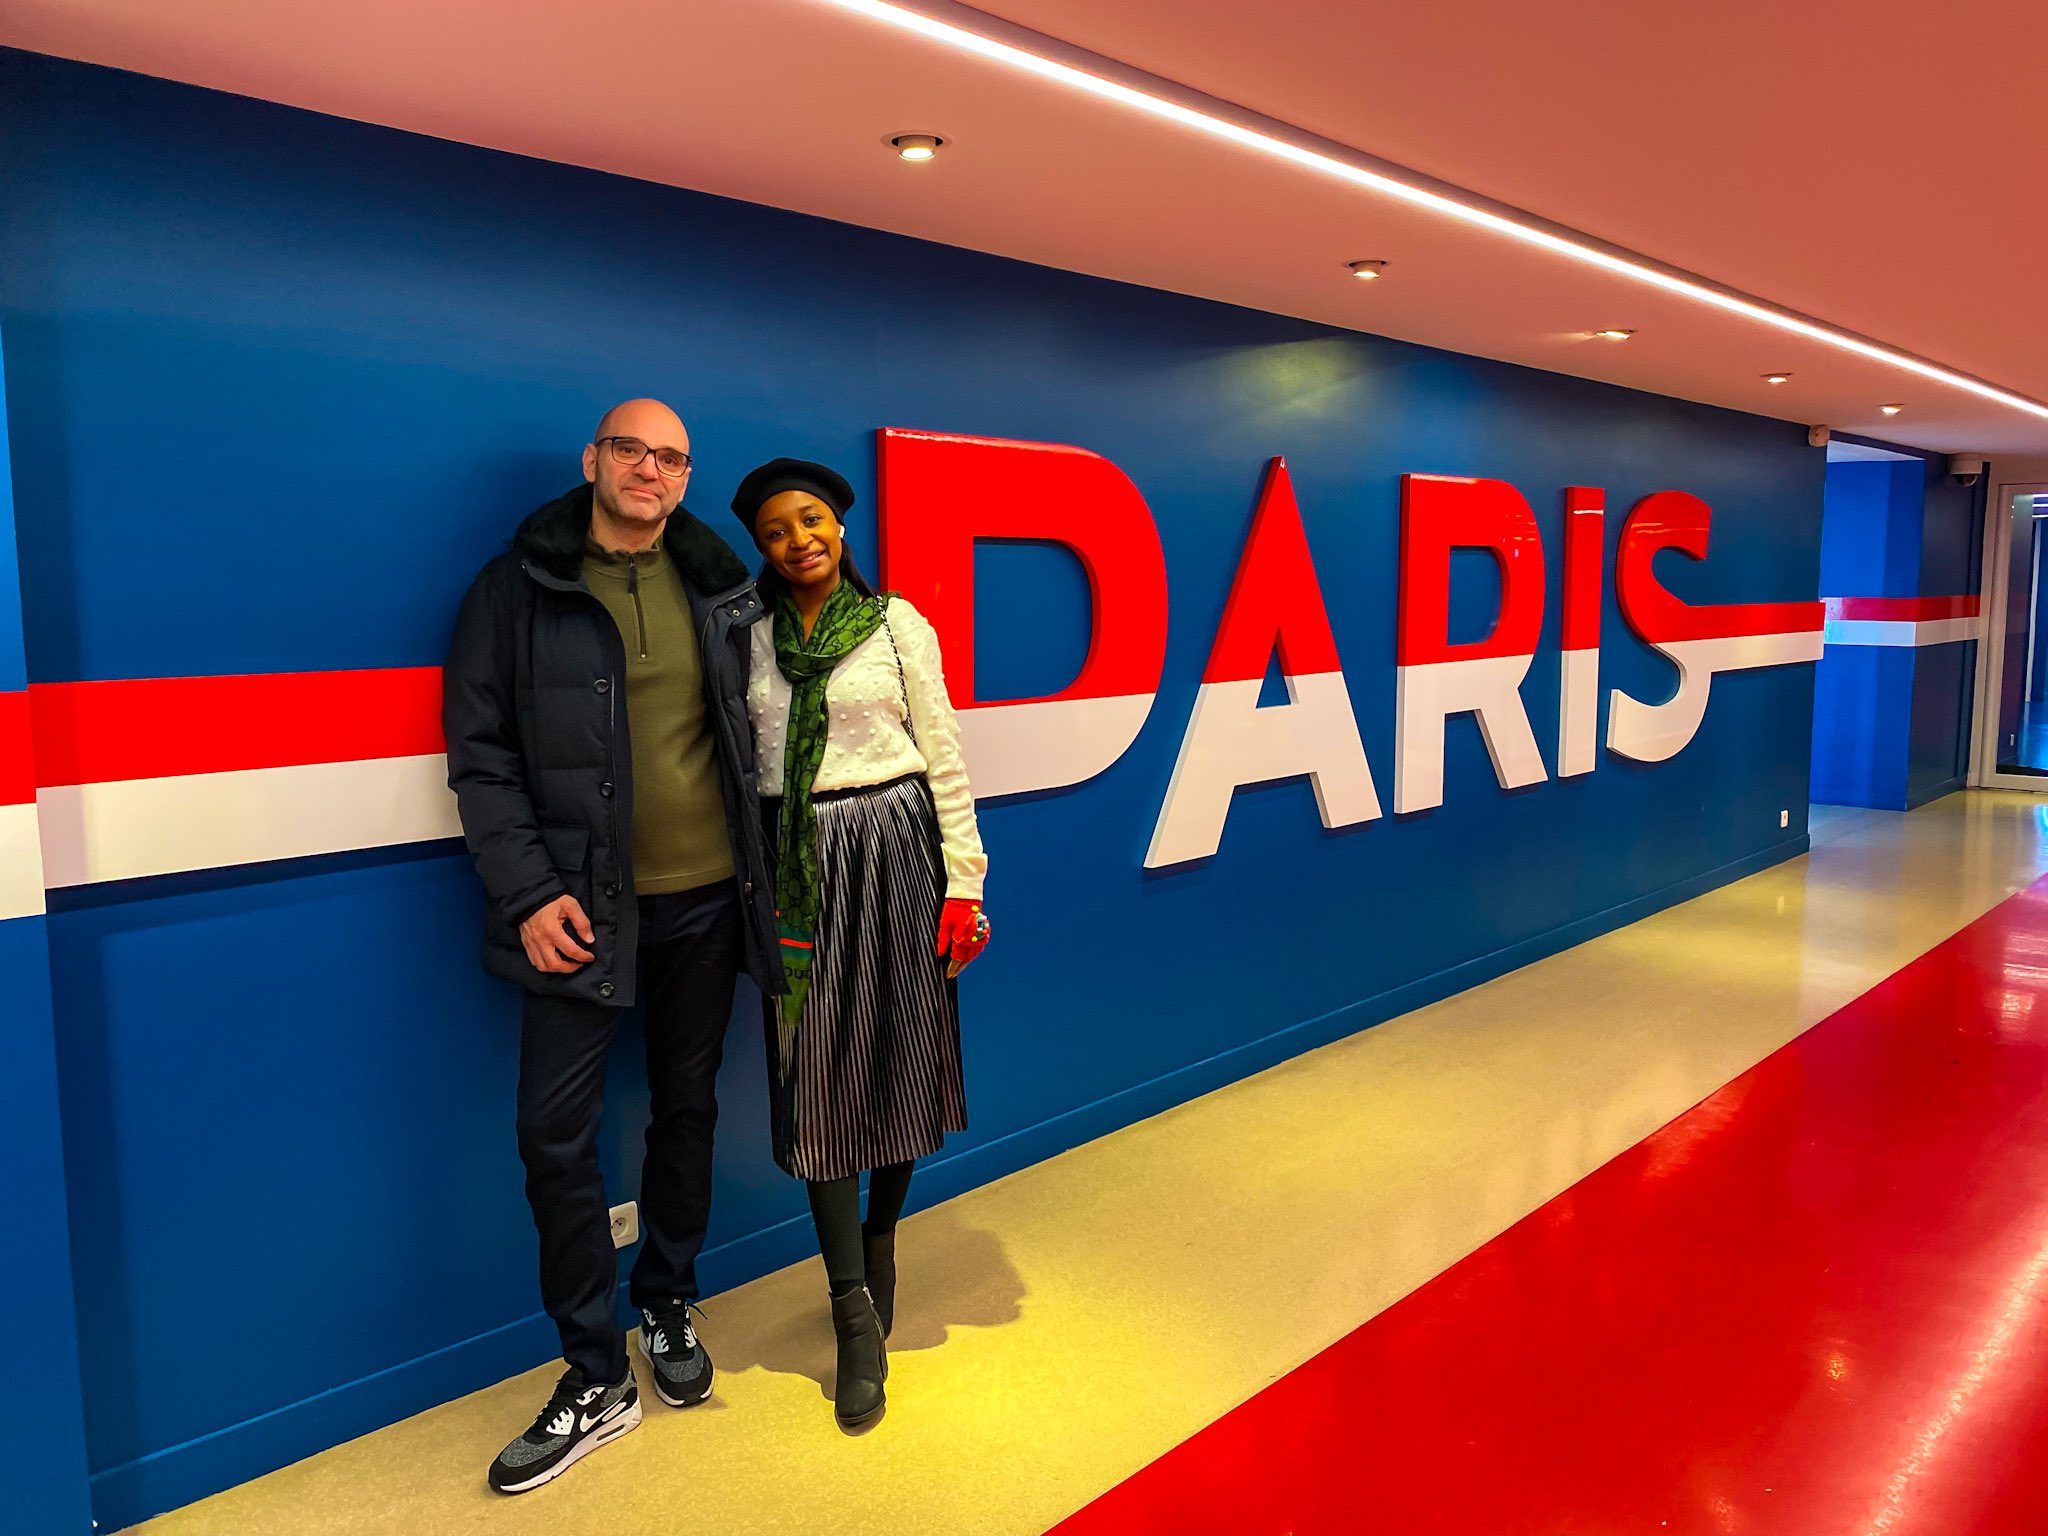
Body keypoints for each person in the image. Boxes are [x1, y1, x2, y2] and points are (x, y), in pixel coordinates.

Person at [443, 400, 783, 1493]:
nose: (651, 468)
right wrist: (528, 893)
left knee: (688, 1108)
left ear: (686, 477)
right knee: (554, 1137)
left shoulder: (723, 589)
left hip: (708, 905)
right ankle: (595, 1375)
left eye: (671, 457)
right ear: (593, 459)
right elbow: (481, 758)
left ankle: (668, 1300)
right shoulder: (517, 589)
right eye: (631, 449)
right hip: (578, 911)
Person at [732, 456, 991, 1430]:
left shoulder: (896, 625)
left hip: (896, 850)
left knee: (896, 1058)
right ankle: (850, 1309)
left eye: (810, 520)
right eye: (775, 531)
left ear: (839, 526)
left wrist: (964, 882)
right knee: (817, 1077)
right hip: (795, 866)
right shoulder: (749, 641)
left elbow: (945, 759)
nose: (796, 540)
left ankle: (881, 1238)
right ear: (762, 549)